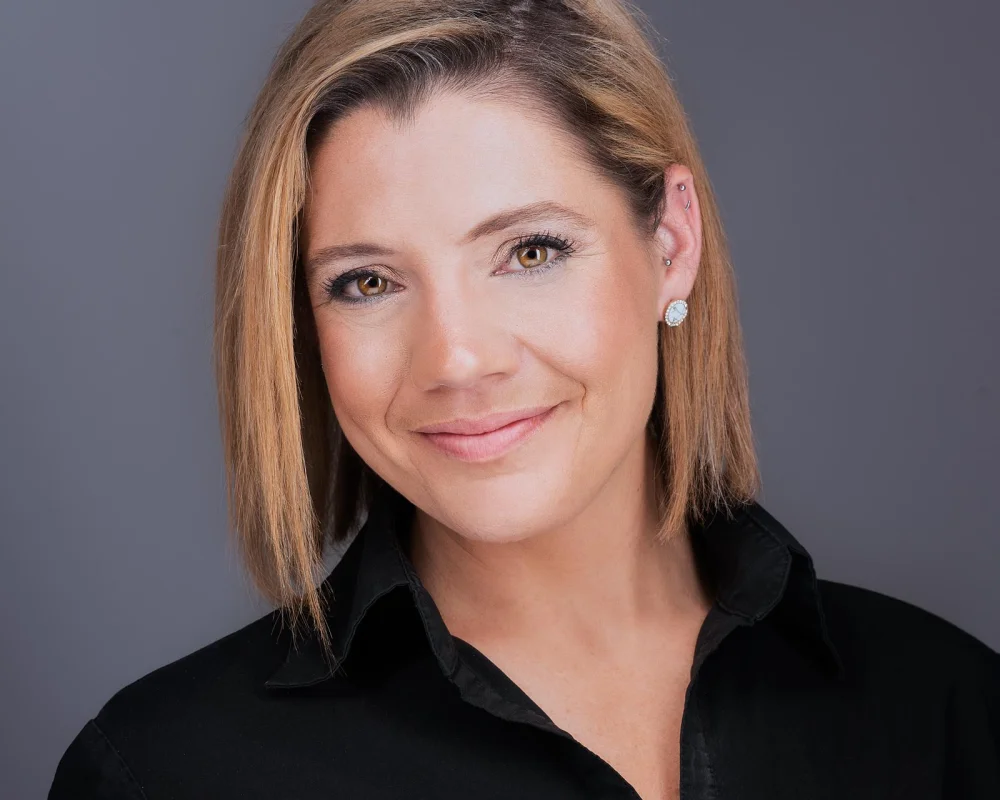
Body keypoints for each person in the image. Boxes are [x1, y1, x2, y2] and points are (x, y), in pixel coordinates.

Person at [48, 1, 999, 798]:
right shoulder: (164, 773)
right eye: (368, 282)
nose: (457, 359)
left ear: (671, 243)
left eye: (530, 251)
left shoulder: (948, 713)